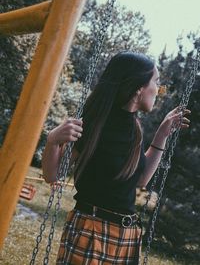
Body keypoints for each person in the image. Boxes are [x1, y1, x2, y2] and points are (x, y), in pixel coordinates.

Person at [42, 52, 190, 265]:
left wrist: (162, 134)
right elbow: (52, 174)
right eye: (156, 83)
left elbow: (140, 180)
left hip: (125, 235)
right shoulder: (95, 122)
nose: (159, 90)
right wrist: (53, 140)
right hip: (91, 230)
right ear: (139, 88)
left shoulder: (135, 128)